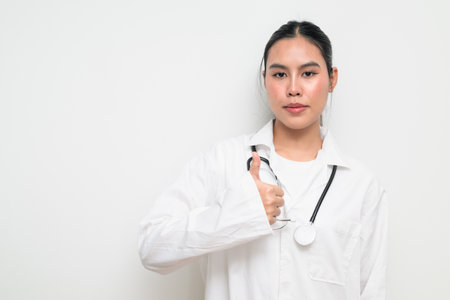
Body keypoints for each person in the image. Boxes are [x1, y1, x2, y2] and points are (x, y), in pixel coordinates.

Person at [139, 20, 388, 300]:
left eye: (308, 73)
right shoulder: (222, 161)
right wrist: (236, 212)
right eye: (280, 74)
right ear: (265, 79)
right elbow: (152, 249)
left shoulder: (361, 185)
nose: (293, 88)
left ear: (332, 79)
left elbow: (373, 290)